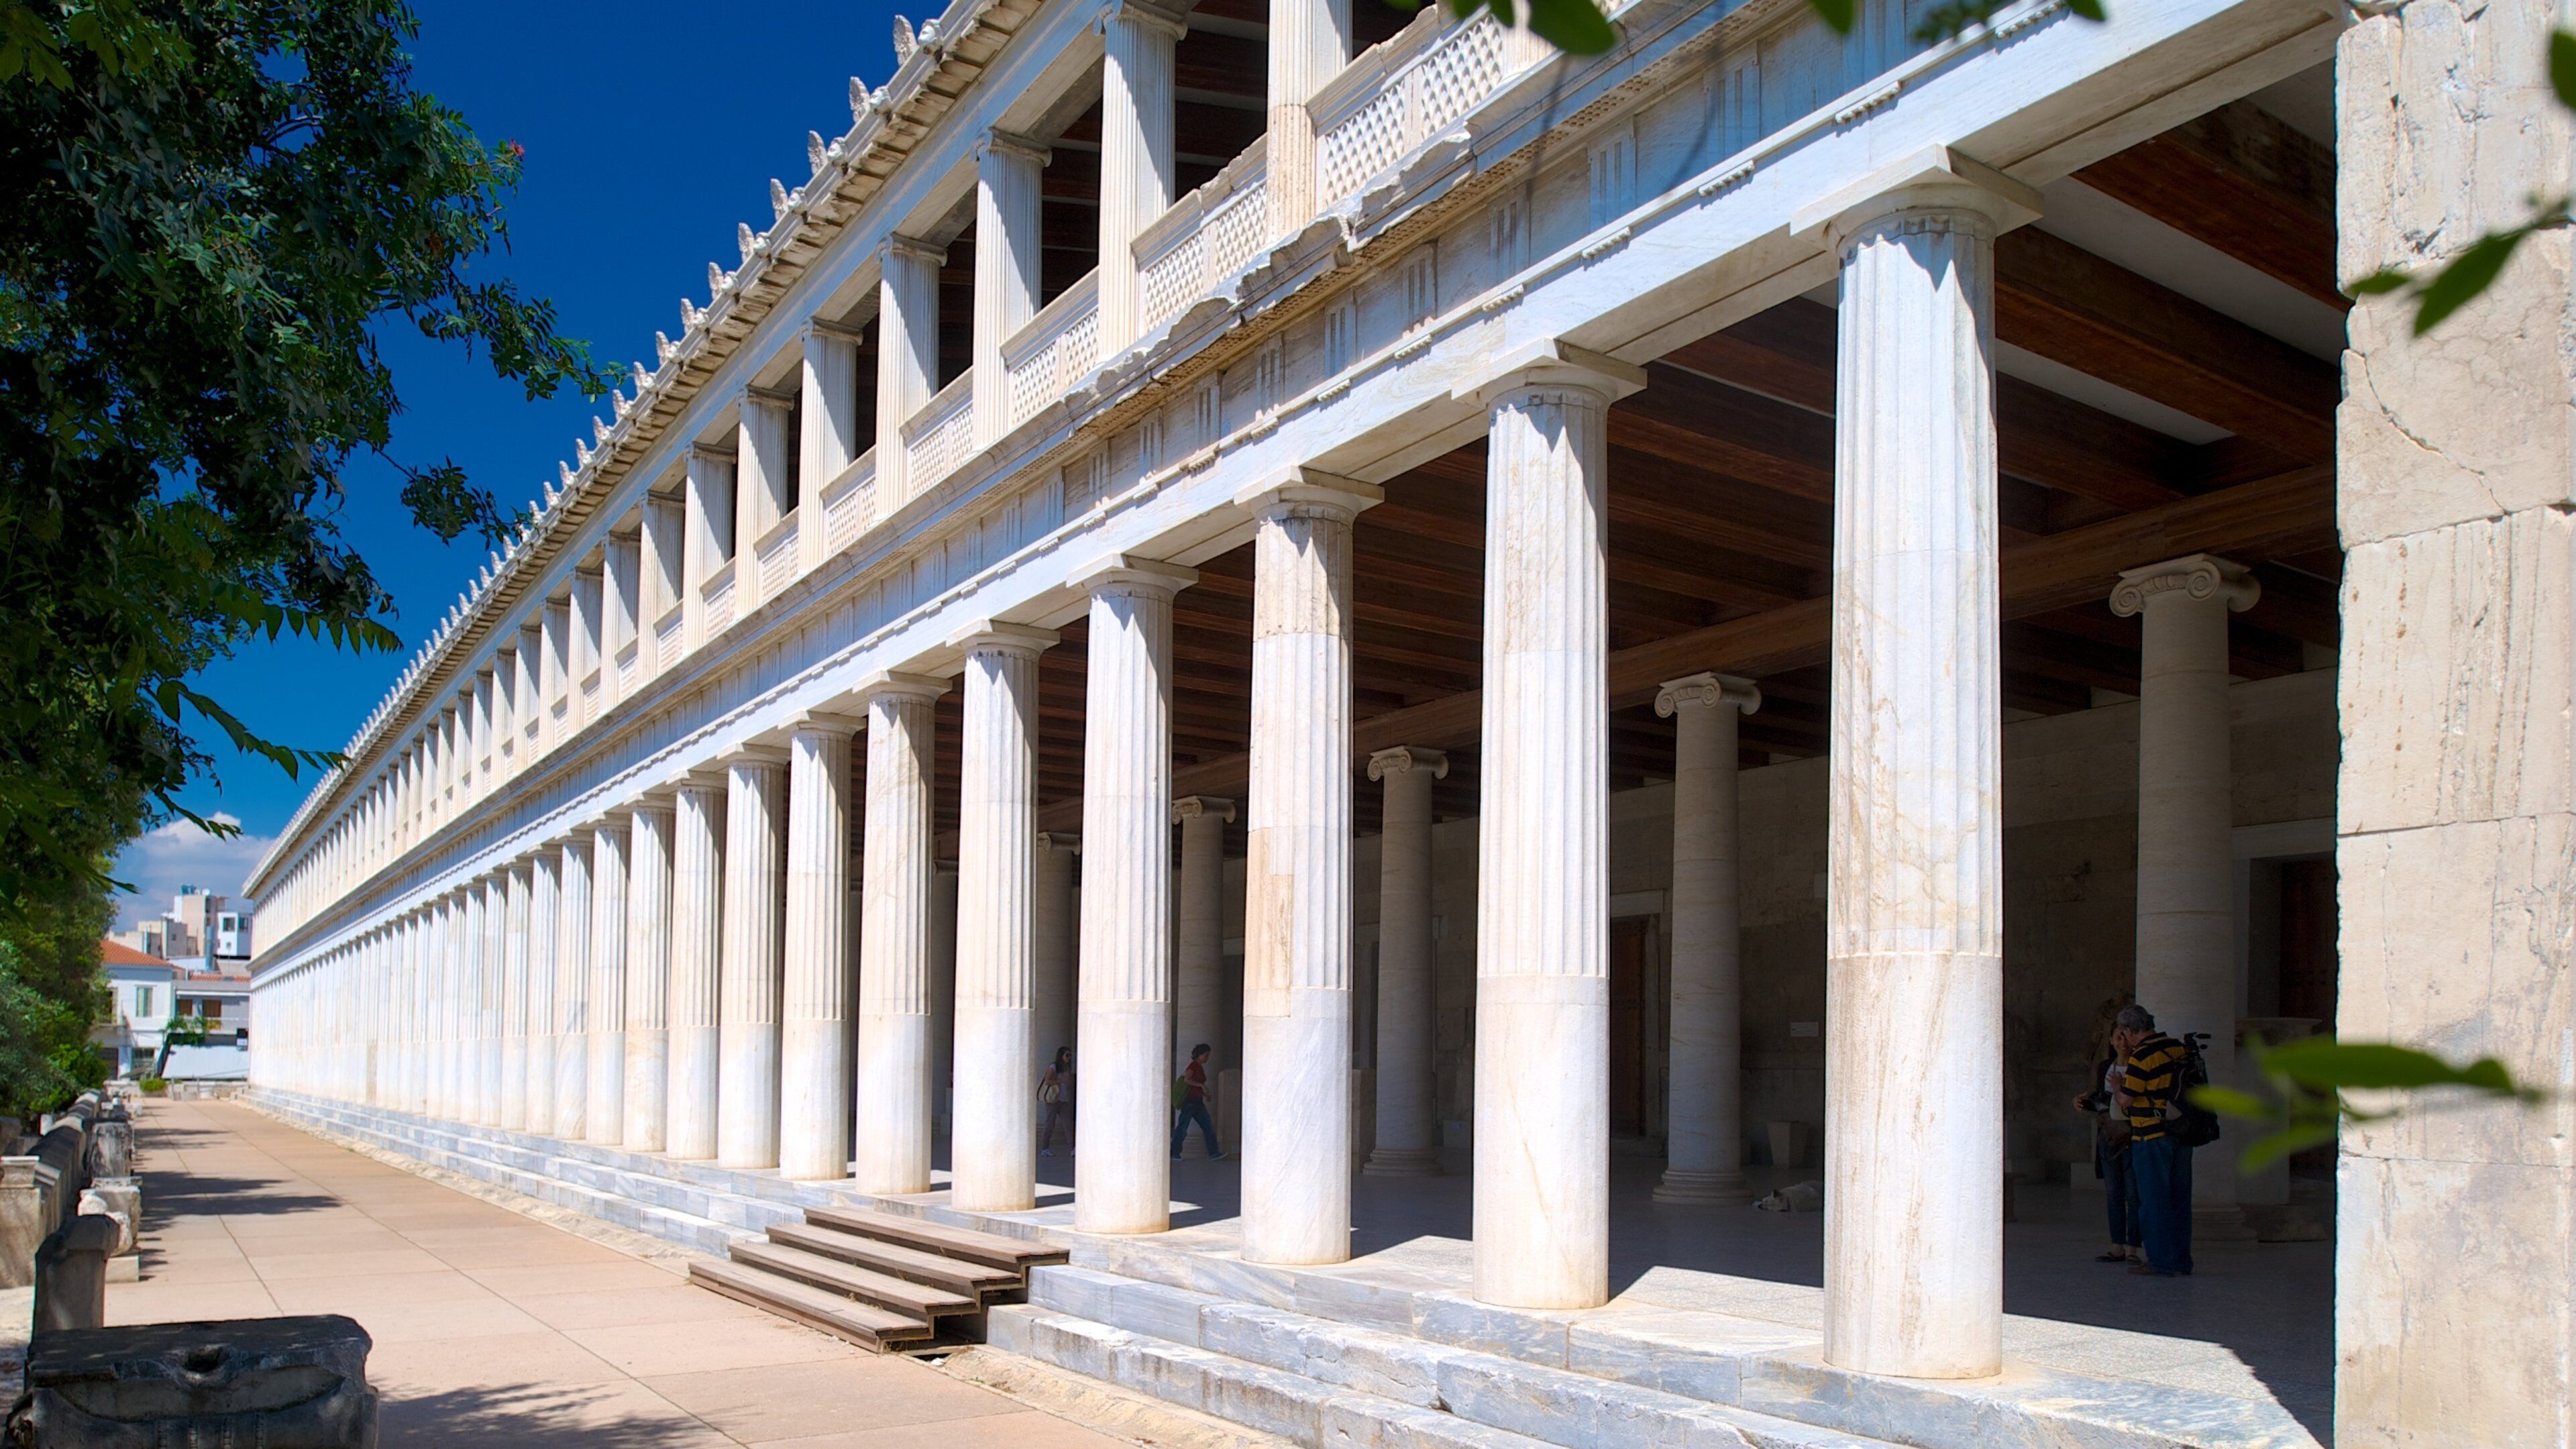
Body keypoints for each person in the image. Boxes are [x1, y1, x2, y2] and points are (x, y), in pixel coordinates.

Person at [2113, 1004, 2193, 1277]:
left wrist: (2116, 1088)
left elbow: (2126, 1099)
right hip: (2180, 1132)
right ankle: (2181, 1259)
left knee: (2154, 1200)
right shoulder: (2176, 1047)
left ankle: (2161, 1261)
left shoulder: (2142, 1055)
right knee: (2179, 1199)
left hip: (2150, 1134)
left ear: (2129, 1030)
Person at [2074, 1020, 2141, 1266]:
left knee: (2134, 1194)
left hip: (2133, 1136)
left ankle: (2133, 1247)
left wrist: (2120, 1090)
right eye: (2118, 1038)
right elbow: (2099, 1098)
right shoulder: (2105, 1067)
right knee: (2114, 1193)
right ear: (2111, 1040)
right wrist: (2083, 1102)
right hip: (2109, 1136)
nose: (2122, 1043)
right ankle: (2117, 1245)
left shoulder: (2138, 1066)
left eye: (2126, 1037)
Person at [1169, 1042, 1224, 1161]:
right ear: (1199, 1055)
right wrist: (1202, 1086)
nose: (1207, 1058)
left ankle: (1214, 1153)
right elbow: (1187, 1080)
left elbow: (1193, 1085)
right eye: (1206, 1055)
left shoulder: (1198, 1067)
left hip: (1197, 1101)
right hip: (1190, 1102)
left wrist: (1204, 1094)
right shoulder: (1193, 1066)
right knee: (1184, 1128)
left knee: (1207, 1127)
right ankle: (1174, 1153)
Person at [1038, 1046, 1075, 1157]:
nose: (1069, 1058)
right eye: (1067, 1055)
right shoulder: (1053, 1067)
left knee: (1068, 1125)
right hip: (1053, 1100)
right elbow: (1048, 1081)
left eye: (1070, 1055)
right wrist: (1061, 1080)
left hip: (1064, 1100)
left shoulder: (1067, 1068)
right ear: (1061, 1056)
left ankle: (1073, 1148)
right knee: (1050, 1124)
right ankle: (1045, 1148)